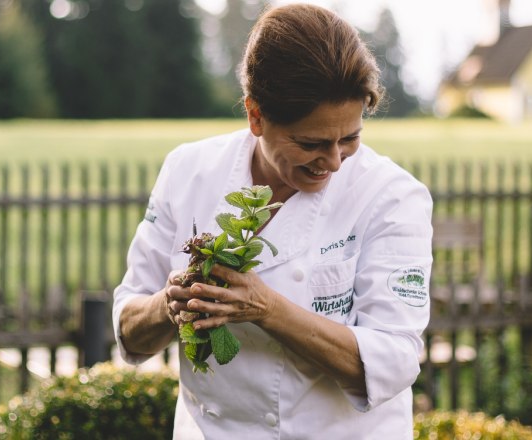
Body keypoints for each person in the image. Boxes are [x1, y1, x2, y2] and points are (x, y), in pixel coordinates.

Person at [112, 3, 432, 439]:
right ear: (255, 115)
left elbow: (394, 362)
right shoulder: (188, 171)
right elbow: (130, 334)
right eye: (311, 143)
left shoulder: (392, 196)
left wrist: (268, 309)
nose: (335, 161)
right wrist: (169, 303)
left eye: (351, 138)